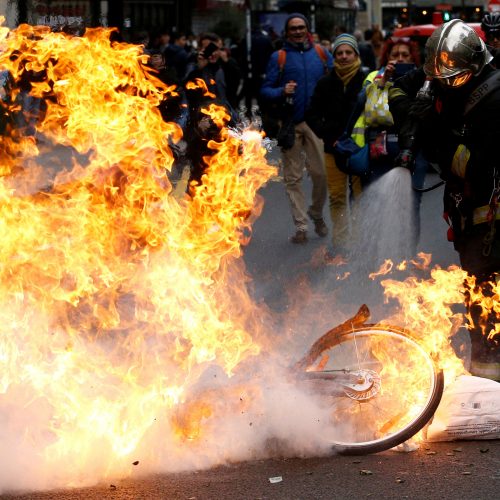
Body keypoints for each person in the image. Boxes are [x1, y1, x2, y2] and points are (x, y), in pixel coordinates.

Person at [389, 19, 500, 381]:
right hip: (468, 219)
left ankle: (488, 387)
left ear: (475, 66)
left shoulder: (494, 99)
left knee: (489, 309)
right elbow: (398, 88)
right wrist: (408, 111)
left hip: (491, 223)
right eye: (441, 79)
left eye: (454, 79)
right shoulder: (444, 79)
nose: (446, 86)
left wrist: (434, 131)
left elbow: (472, 166)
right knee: (478, 303)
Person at [261, 13, 333, 244]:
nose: (298, 31)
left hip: (315, 123)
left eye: (301, 27)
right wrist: (282, 91)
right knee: (292, 178)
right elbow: (265, 90)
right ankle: (301, 225)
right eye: (293, 28)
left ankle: (316, 212)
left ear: (307, 29)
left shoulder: (321, 54)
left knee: (321, 174)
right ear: (287, 32)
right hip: (290, 123)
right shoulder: (279, 57)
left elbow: (336, 81)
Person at [306, 34, 369, 259]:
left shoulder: (366, 80)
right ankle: (342, 242)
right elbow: (311, 113)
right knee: (337, 197)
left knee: (361, 197)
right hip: (333, 148)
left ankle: (361, 241)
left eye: (348, 52)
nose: (343, 57)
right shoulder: (325, 82)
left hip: (359, 149)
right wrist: (326, 134)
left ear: (356, 55)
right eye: (339, 53)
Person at [183, 33, 234, 192]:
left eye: (214, 49)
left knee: (223, 173)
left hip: (224, 126)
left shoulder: (224, 67)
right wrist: (199, 68)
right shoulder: (194, 69)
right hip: (201, 128)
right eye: (206, 49)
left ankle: (220, 212)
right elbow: (188, 93)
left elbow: (237, 87)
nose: (211, 53)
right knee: (199, 174)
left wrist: (227, 61)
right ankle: (197, 211)